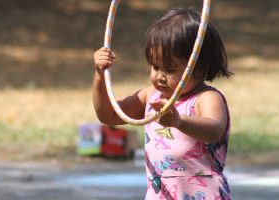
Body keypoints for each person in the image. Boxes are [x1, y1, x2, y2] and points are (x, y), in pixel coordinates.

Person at [93, 7, 232, 200]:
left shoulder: (205, 98)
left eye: (170, 69)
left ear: (200, 67)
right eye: (155, 66)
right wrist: (100, 76)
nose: (160, 76)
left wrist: (179, 122)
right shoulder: (150, 96)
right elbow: (109, 115)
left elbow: (214, 130)